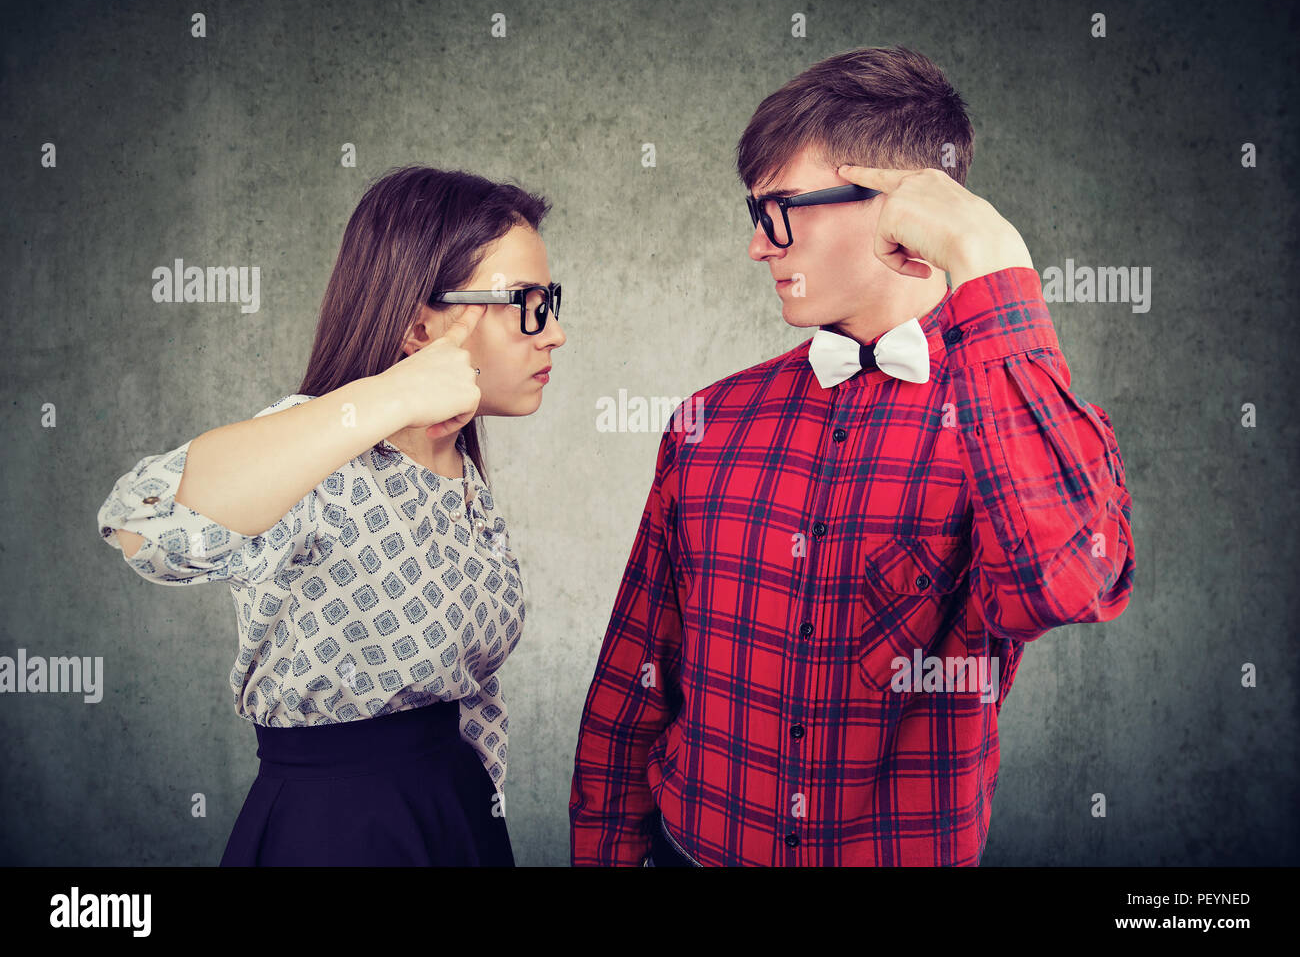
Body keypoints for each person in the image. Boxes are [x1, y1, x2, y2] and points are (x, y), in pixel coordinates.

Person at [569, 45, 1135, 866]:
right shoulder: (707, 423)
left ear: (906, 206)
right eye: (754, 213)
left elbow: (1067, 581)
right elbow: (633, 684)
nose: (758, 248)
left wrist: (989, 255)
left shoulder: (1010, 425)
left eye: (780, 210)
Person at [96, 165, 565, 865]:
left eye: (551, 299)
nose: (552, 332)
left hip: (451, 817)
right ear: (418, 324)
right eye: (527, 303)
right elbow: (138, 521)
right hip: (337, 833)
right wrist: (383, 399)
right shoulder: (316, 448)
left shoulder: (460, 469)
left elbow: (471, 695)